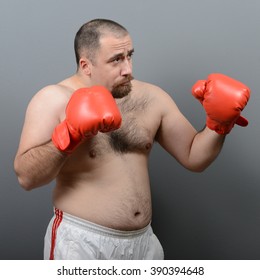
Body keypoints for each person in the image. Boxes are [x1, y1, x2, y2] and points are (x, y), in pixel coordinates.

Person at [14, 19, 250, 260]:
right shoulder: (53, 99)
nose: (127, 69)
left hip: (143, 244)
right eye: (116, 59)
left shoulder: (150, 98)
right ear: (86, 65)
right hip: (82, 242)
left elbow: (194, 157)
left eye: (129, 56)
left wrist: (218, 125)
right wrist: (69, 134)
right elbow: (27, 177)